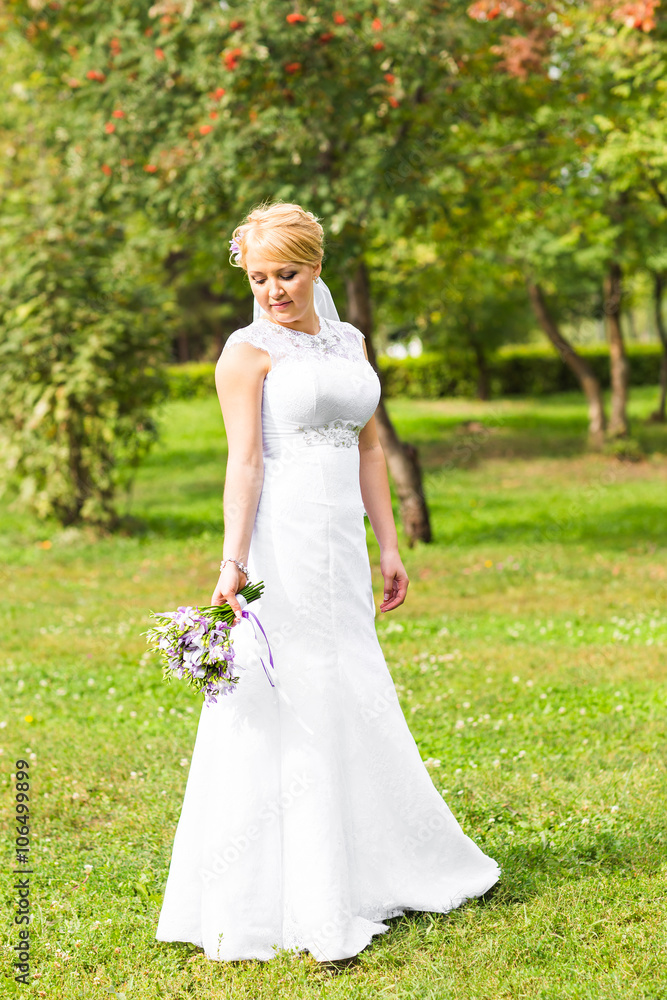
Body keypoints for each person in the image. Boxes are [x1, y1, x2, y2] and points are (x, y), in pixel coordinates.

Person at [155, 201, 500, 964]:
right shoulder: (245, 352)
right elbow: (243, 462)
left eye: (287, 273)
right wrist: (231, 567)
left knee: (351, 681)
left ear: (316, 266)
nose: (273, 289)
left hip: (342, 543)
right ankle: (304, 895)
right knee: (296, 691)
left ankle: (370, 862)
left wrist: (389, 547)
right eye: (258, 277)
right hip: (284, 540)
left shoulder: (349, 341)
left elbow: (369, 449)